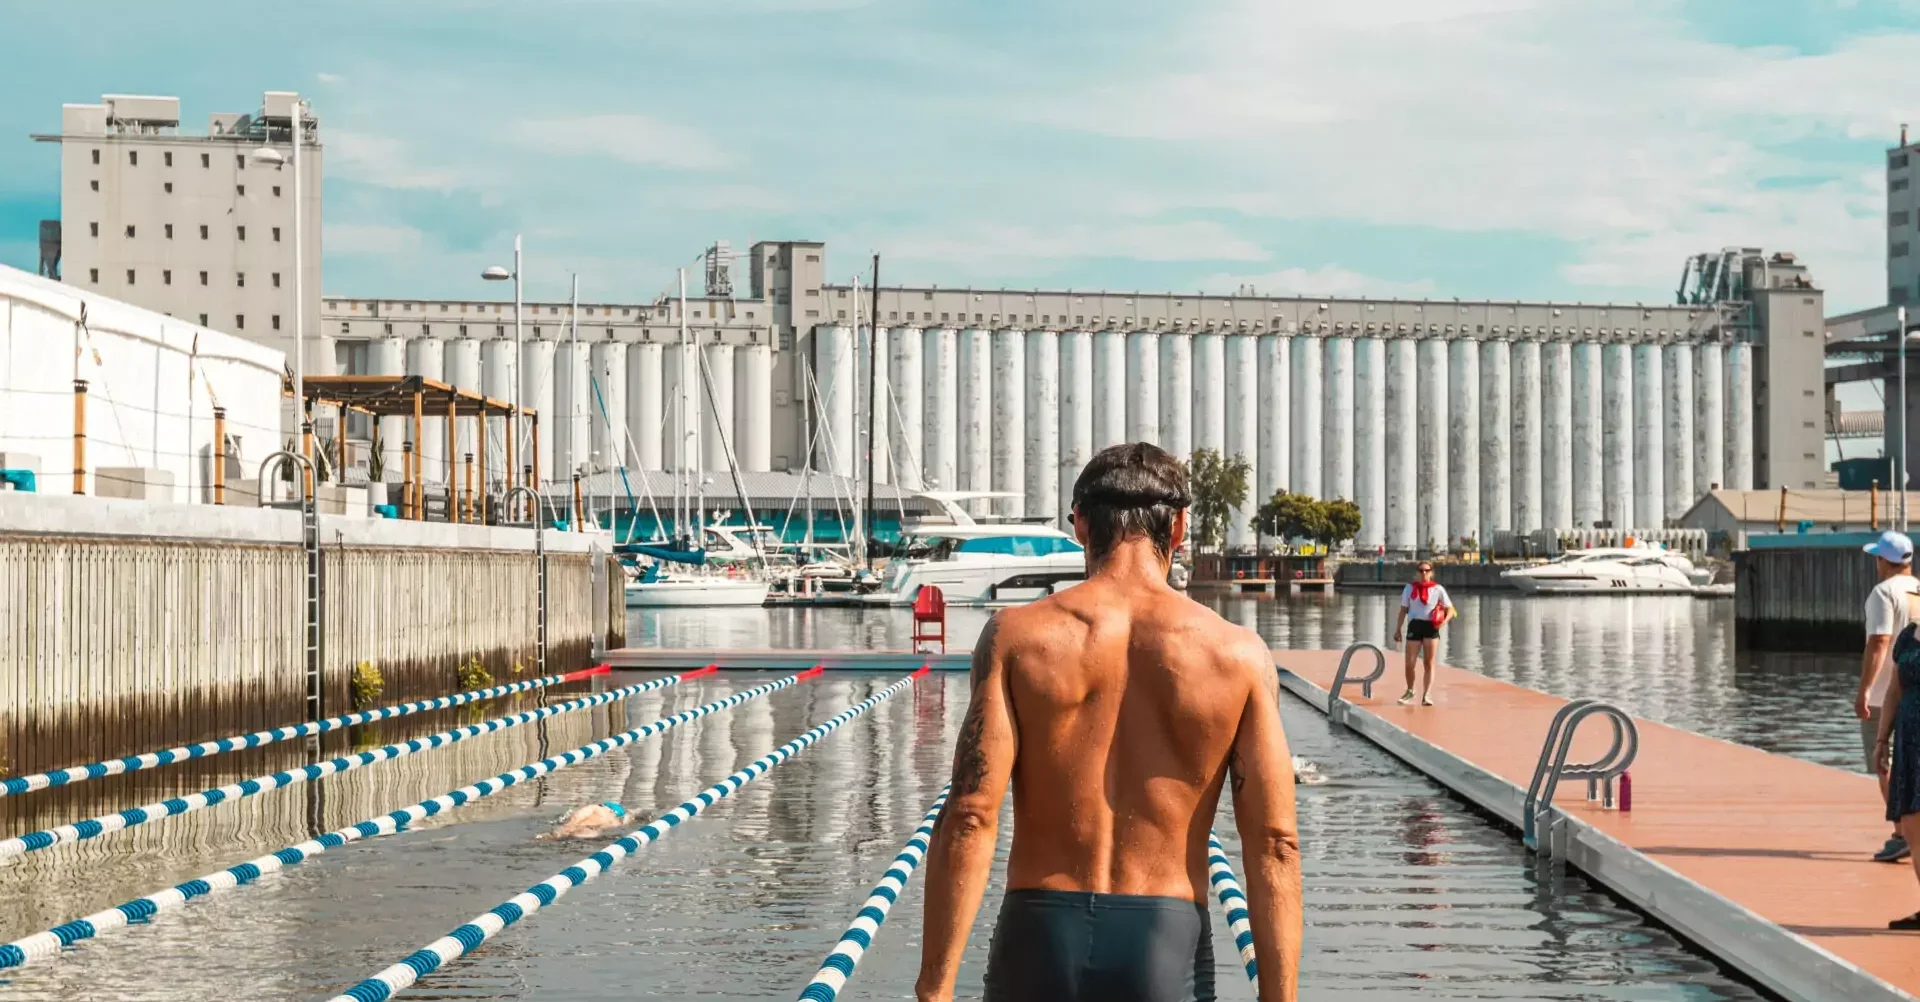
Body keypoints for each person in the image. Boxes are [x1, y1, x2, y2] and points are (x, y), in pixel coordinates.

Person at [915, 442, 1302, 1002]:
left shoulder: (1016, 638)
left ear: (1078, 523)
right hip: (1166, 943)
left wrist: (935, 988)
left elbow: (971, 814)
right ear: (1179, 530)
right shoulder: (1237, 654)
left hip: (1037, 934)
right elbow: (1274, 843)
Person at [1864, 530, 1918, 863]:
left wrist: (1865, 691)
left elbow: (1879, 642)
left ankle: (1901, 833)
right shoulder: (1918, 589)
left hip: (1888, 692)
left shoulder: (1882, 593)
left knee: (1883, 761)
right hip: (1916, 690)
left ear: (1883, 560)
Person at [1880, 589, 1920, 927]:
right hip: (1908, 740)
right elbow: (1894, 690)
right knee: (1910, 825)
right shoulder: (1908, 636)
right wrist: (1882, 738)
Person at [1391, 562, 1454, 706]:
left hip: (1431, 626)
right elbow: (1403, 610)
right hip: (1415, 625)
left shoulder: (1438, 589)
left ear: (1431, 572)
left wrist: (1443, 622)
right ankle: (1410, 690)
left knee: (1428, 662)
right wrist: (1398, 629)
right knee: (1410, 663)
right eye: (1421, 570)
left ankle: (1426, 694)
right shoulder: (1409, 588)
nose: (1424, 573)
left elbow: (1450, 609)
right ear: (1417, 572)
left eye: (1427, 570)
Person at [536, 801, 631, 840]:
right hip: (591, 834)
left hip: (577, 828)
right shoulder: (615, 822)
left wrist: (569, 825)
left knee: (551, 836)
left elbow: (578, 816)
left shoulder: (597, 808)